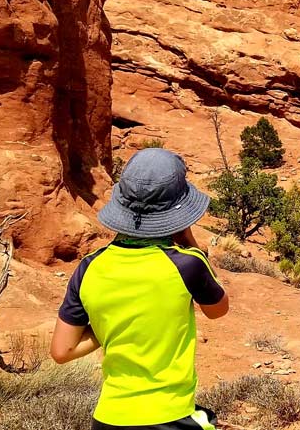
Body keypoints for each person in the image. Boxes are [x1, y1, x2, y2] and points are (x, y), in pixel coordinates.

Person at [51, 147, 230, 430]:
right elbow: (219, 309)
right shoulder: (188, 264)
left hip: (108, 419)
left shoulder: (89, 267)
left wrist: (110, 325)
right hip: (169, 417)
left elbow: (62, 351)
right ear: (178, 213)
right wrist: (189, 238)